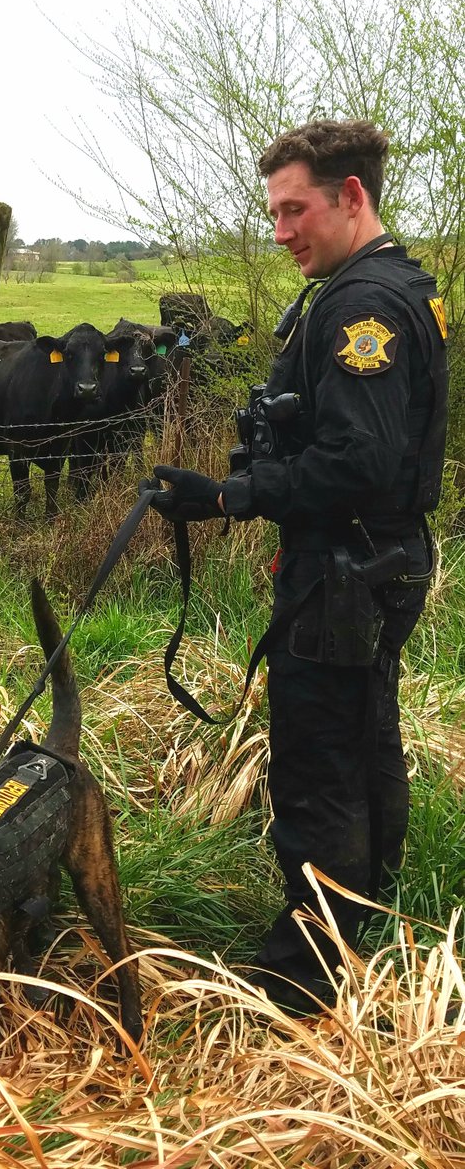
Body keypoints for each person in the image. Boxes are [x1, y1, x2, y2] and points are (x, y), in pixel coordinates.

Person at [143, 120, 449, 1013]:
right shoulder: (396, 284)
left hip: (347, 567)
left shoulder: (363, 308)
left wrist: (239, 496)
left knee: (316, 754)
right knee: (364, 733)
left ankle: (305, 969)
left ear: (351, 197)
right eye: (273, 211)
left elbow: (361, 462)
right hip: (372, 556)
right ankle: (367, 907)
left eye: (294, 209)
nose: (279, 232)